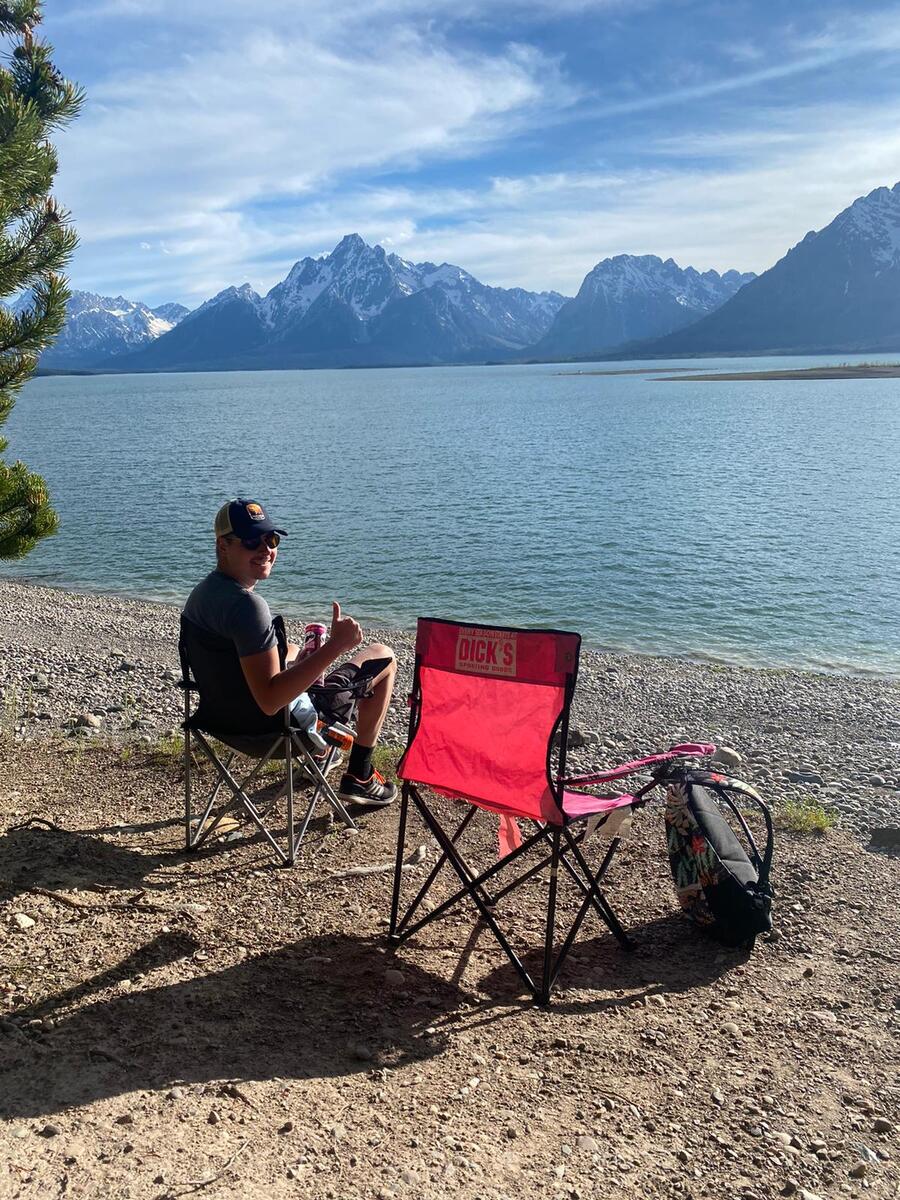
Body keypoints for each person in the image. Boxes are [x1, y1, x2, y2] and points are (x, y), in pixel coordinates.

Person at [183, 497, 397, 807]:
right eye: (251, 541)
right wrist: (337, 645)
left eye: (270, 539)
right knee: (383, 654)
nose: (265, 549)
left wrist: (301, 662)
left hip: (222, 723)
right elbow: (270, 701)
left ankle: (322, 752)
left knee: (293, 649)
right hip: (274, 732)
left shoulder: (202, 596)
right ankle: (360, 776)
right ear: (223, 546)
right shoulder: (248, 607)